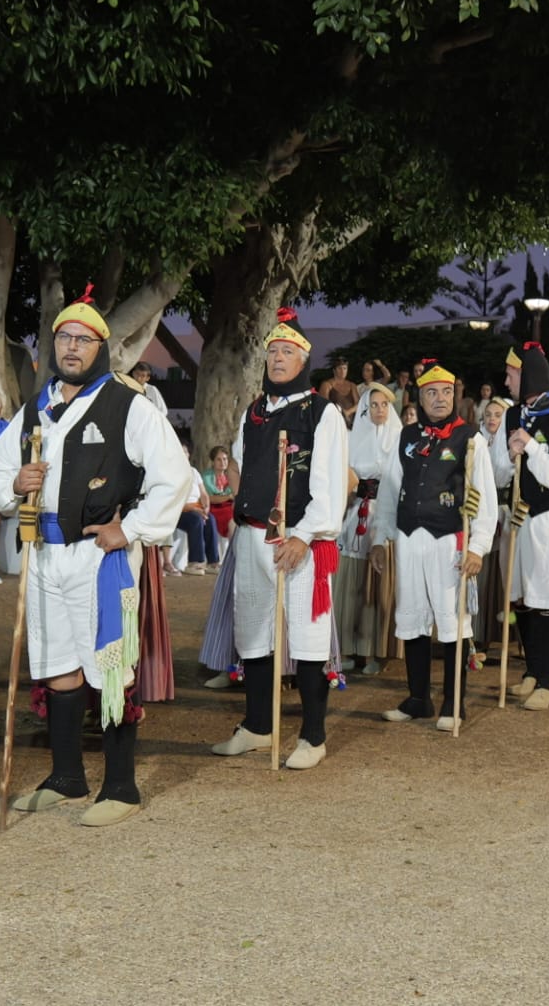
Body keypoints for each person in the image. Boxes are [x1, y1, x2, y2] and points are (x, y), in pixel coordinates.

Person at [0, 291, 190, 822]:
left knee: (109, 667)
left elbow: (176, 476)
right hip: (44, 554)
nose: (72, 347)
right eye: (63, 338)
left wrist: (132, 528)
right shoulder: (37, 406)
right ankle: (67, 777)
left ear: (101, 348)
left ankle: (120, 787)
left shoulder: (128, 404)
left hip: (100, 557)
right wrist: (15, 481)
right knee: (57, 667)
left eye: (83, 340)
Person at [201, 308, 348, 766]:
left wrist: (305, 536)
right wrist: (239, 507)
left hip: (299, 543)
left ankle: (313, 737)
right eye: (272, 352)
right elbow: (244, 469)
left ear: (304, 360)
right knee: (253, 636)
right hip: (252, 538)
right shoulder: (255, 411)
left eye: (287, 352)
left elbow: (330, 485)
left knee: (306, 638)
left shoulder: (323, 415)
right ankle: (258, 727)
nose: (277, 358)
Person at [375, 361, 497, 727]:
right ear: (420, 397)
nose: (440, 399)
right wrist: (381, 538)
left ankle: (453, 704)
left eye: (446, 392)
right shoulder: (406, 436)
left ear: (455, 396)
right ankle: (418, 699)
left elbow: (485, 497)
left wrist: (478, 547)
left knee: (452, 620)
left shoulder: (471, 438)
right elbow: (389, 490)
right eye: (432, 393)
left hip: (450, 542)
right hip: (409, 538)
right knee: (412, 620)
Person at [489, 342, 549, 712]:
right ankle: (531, 670)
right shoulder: (513, 415)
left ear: (528, 374)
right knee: (524, 598)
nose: (505, 379)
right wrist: (509, 453)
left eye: (511, 373)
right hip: (520, 517)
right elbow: (498, 468)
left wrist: (530, 447)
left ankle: (548, 679)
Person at [340, 381, 400, 675]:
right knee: (352, 583)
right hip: (355, 514)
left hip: (385, 514)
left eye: (385, 405)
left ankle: (378, 651)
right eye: (374, 405)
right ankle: (351, 648)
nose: (379, 410)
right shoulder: (353, 439)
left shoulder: (401, 438)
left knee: (379, 586)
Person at [203, 445, 238, 546]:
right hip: (212, 508)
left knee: (235, 519)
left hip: (229, 507)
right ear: (213, 461)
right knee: (231, 519)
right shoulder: (207, 477)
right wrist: (228, 497)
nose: (222, 462)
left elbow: (236, 495)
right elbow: (210, 498)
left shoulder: (232, 475)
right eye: (218, 459)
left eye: (225, 459)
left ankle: (233, 553)